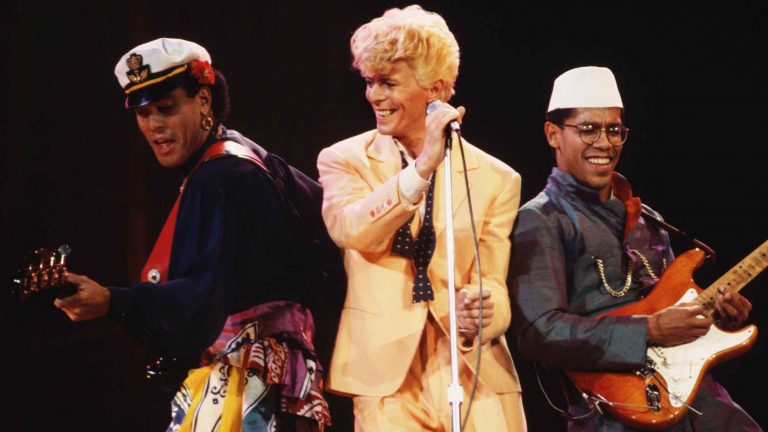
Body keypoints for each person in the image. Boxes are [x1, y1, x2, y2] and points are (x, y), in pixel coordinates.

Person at [53, 37, 345, 431]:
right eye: (143, 113)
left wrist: (111, 301)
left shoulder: (221, 176)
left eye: (166, 108)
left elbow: (201, 303)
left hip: (245, 387)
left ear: (204, 100)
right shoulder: (248, 157)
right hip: (287, 382)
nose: (153, 125)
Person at [509, 66, 761, 431]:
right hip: (616, 413)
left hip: (700, 403)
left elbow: (675, 315)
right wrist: (648, 330)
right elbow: (538, 334)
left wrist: (716, 322)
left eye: (614, 130)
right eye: (588, 129)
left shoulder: (647, 219)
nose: (604, 143)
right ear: (553, 134)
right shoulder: (541, 219)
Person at [316, 5, 526, 431]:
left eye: (388, 83)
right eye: (370, 82)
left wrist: (487, 311)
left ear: (436, 89)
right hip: (386, 378)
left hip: (471, 369)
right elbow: (351, 229)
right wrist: (422, 168)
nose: (374, 96)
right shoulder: (344, 159)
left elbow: (495, 286)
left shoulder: (497, 178)